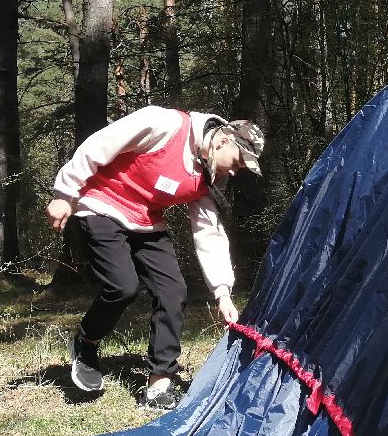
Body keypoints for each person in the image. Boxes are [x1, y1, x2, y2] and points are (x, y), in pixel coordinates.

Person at [46, 107, 264, 409]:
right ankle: (86, 342)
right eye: (239, 162)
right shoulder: (166, 124)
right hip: (102, 205)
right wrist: (65, 192)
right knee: (123, 286)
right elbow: (102, 143)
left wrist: (222, 291)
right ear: (224, 141)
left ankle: (158, 386)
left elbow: (208, 231)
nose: (236, 171)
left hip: (146, 220)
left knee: (173, 291)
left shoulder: (211, 176)